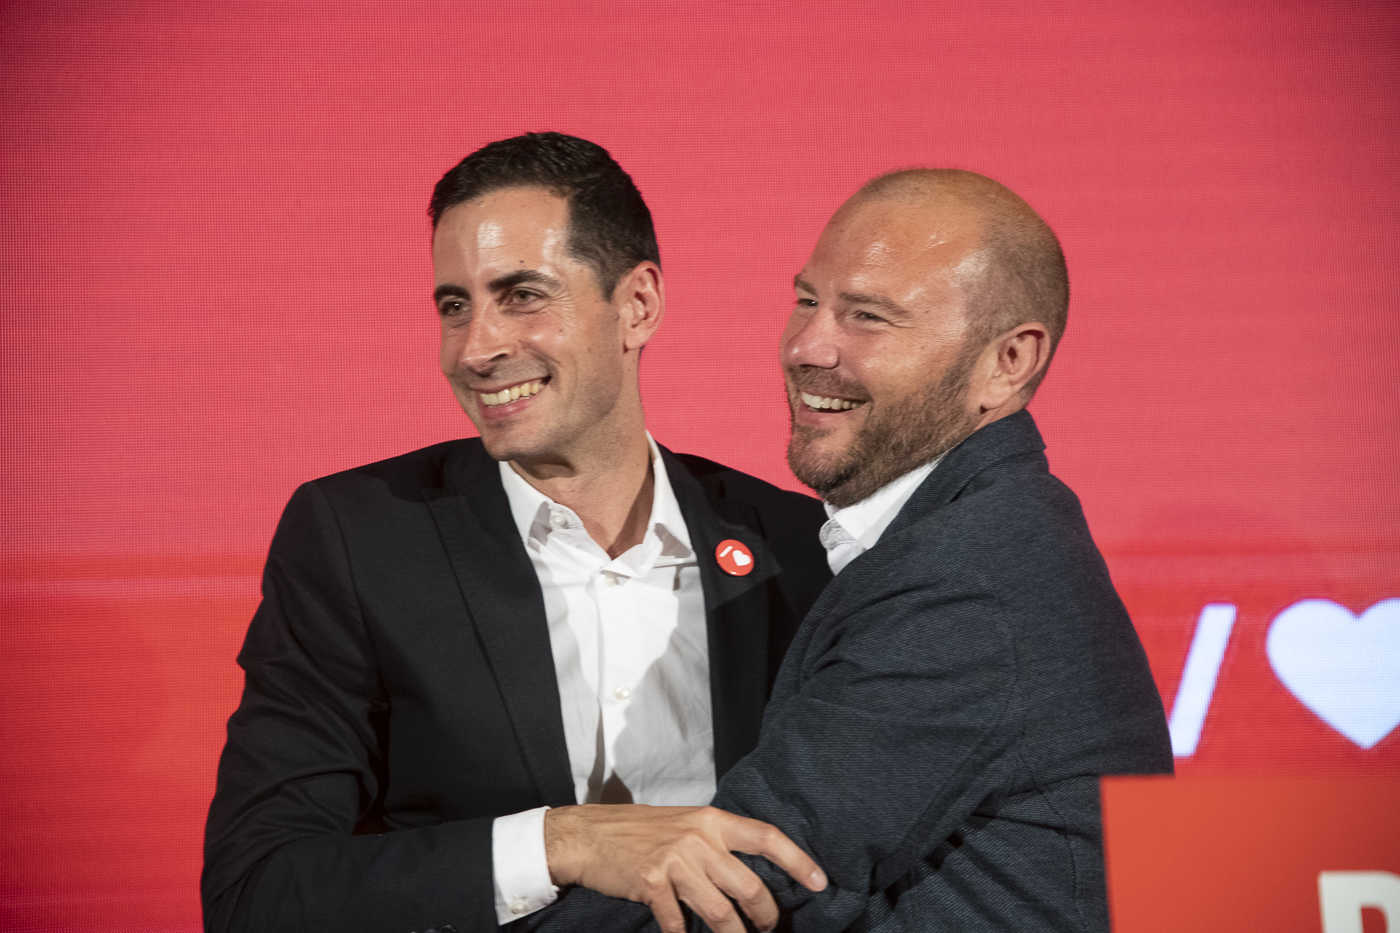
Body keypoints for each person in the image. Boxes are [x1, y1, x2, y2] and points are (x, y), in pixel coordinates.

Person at [200, 132, 832, 933]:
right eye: (454, 305)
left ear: (637, 304)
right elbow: (258, 890)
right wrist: (560, 840)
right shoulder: (358, 538)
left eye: (523, 294)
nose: (476, 348)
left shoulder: (799, 545)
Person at [529, 169, 1174, 931]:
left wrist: (473, 877)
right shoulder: (973, 534)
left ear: (1008, 362)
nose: (806, 345)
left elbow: (733, 884)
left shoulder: (967, 580)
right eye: (807, 299)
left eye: (868, 316)